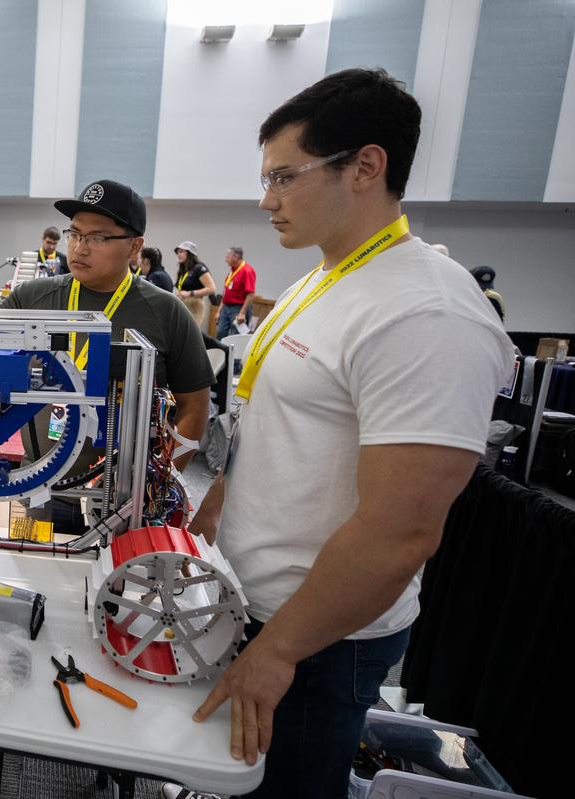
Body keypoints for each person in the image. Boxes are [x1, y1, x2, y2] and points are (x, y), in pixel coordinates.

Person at [189, 69, 514, 797]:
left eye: (284, 176)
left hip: (316, 641)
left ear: (366, 166)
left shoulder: (427, 314)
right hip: (255, 606)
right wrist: (220, 507)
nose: (266, 199)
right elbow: (279, 423)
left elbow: (400, 531)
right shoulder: (321, 280)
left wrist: (279, 651)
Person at [0, 179, 214, 534]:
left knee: (112, 584)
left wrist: (158, 479)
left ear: (135, 246)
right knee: (32, 574)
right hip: (35, 483)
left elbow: (195, 405)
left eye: (98, 238)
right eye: (75, 234)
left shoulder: (165, 310)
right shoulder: (31, 298)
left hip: (121, 496)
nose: (80, 248)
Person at [215, 247, 257, 340]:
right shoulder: (232, 271)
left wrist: (242, 313)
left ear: (235, 256)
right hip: (226, 307)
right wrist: (219, 311)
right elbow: (225, 292)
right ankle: (221, 354)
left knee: (235, 336)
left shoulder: (247, 270)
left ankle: (233, 354)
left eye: (227, 256)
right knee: (220, 333)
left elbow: (250, 294)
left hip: (238, 307)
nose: (225, 259)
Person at [173, 241, 217, 329]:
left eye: (181, 252)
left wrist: (191, 293)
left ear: (190, 254)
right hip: (183, 304)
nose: (178, 254)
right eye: (178, 252)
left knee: (189, 332)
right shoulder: (183, 269)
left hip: (195, 305)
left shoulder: (199, 268)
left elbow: (212, 288)